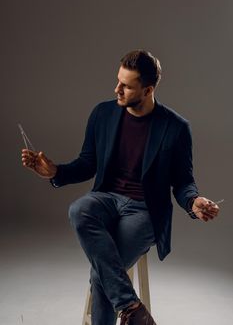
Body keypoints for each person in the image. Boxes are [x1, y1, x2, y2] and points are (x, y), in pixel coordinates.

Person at [21, 50, 219, 325]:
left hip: (145, 211)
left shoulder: (176, 128)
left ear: (148, 89)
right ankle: (133, 309)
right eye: (118, 81)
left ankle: (131, 310)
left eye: (126, 85)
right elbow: (88, 163)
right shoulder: (102, 114)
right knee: (79, 209)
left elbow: (183, 181)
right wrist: (55, 172)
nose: (117, 89)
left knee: (100, 274)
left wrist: (193, 202)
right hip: (106, 198)